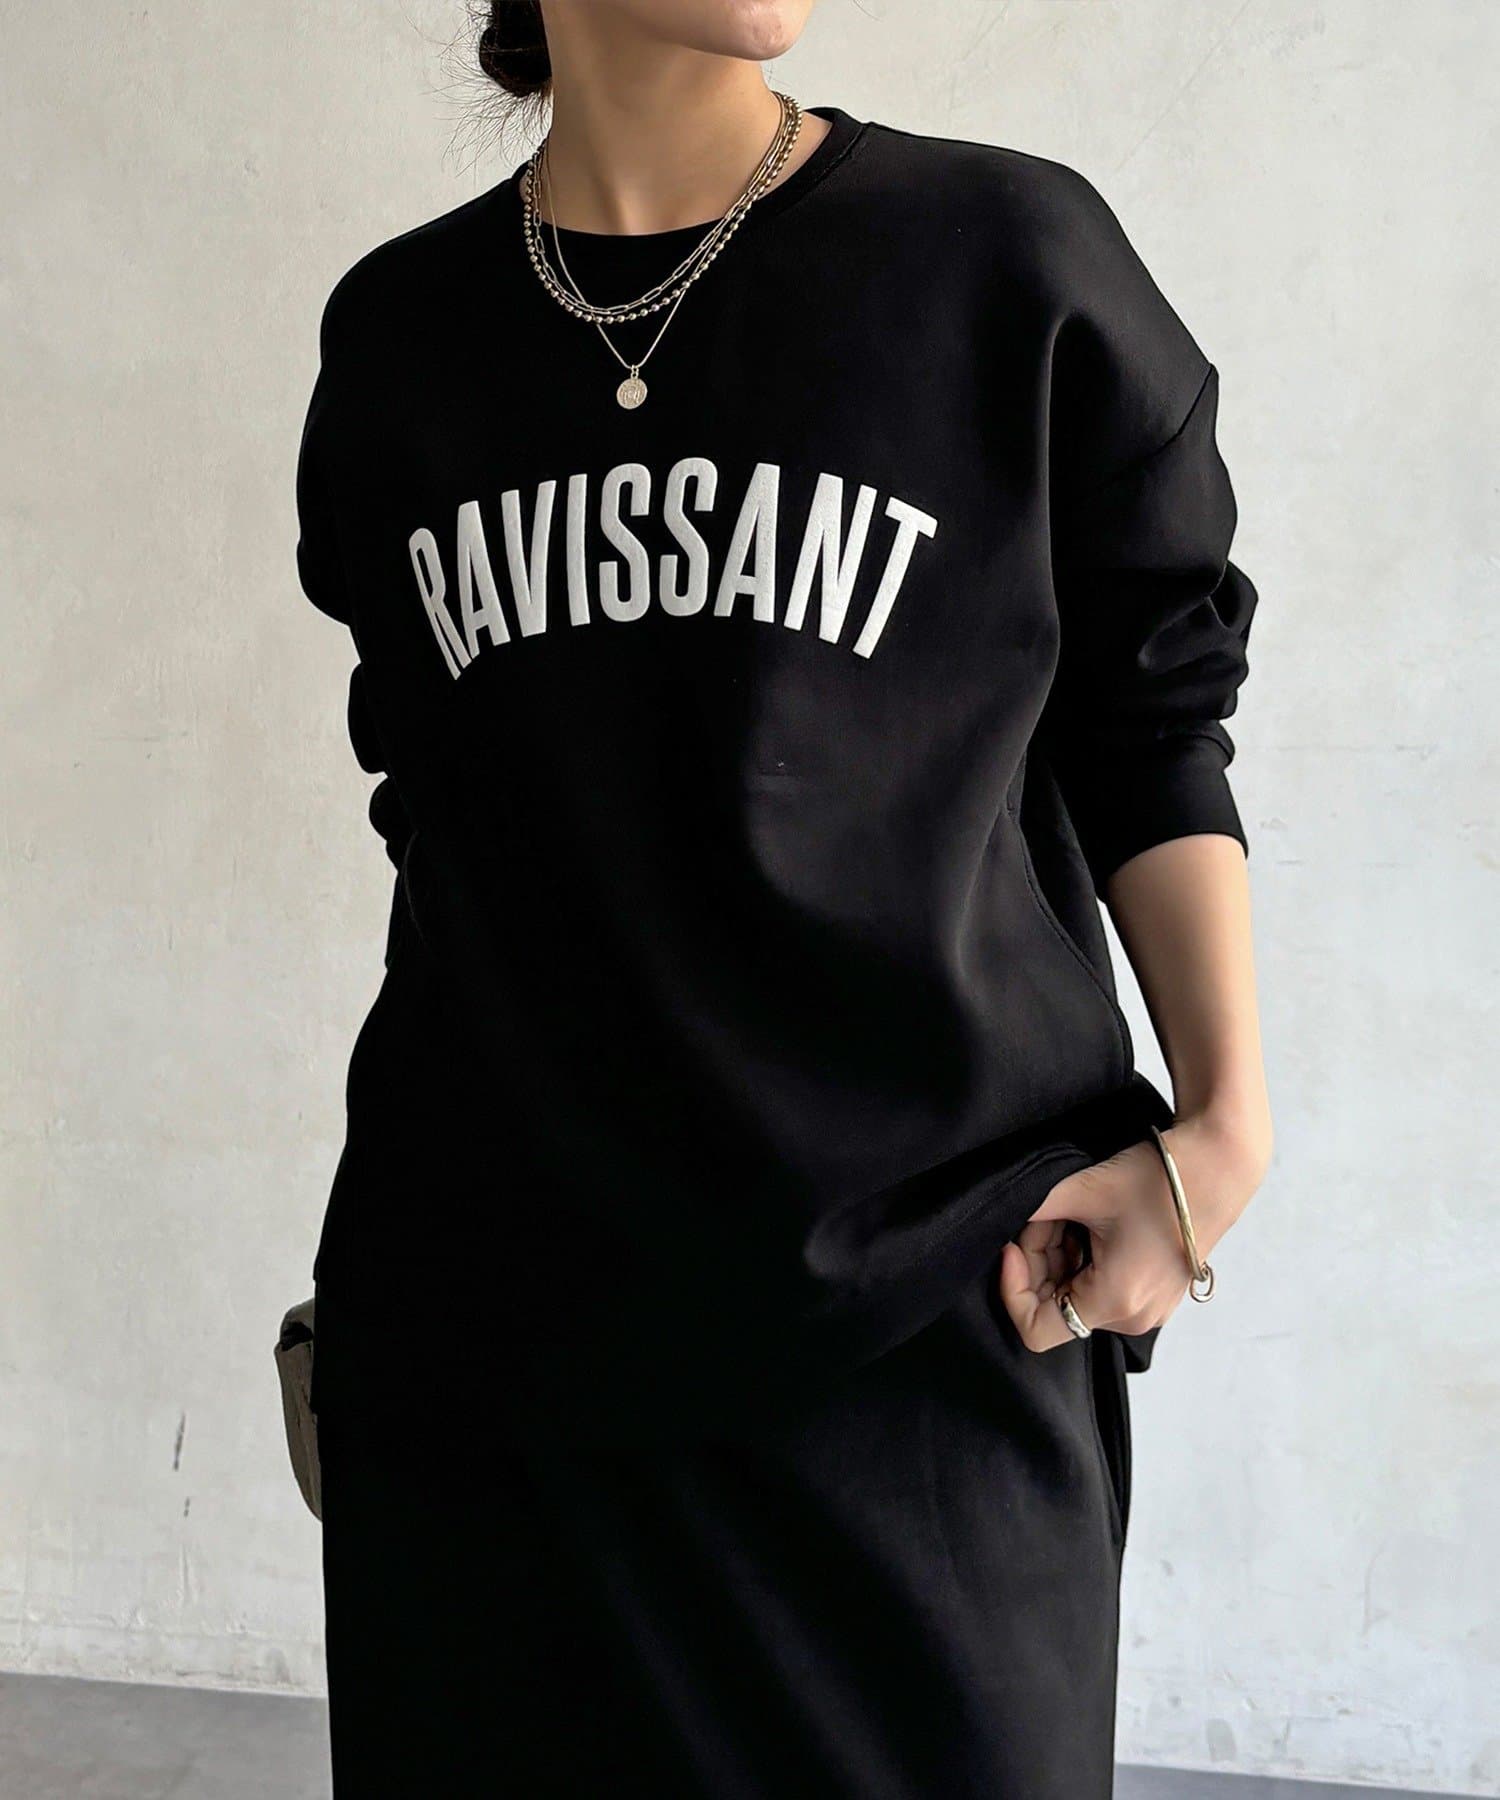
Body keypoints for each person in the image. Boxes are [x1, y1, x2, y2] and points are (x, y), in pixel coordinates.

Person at [293, 2, 1273, 1792]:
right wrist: (368, 1328)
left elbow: (1152, 713)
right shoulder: (399, 335)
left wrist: (1224, 1130)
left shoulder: (1001, 260)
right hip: (492, 1365)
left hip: (927, 1330)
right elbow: (449, 821)